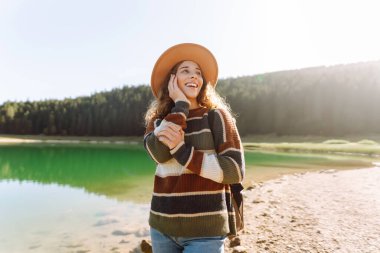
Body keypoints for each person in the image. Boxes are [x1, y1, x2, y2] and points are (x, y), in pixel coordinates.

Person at [143, 43, 245, 253]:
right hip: (161, 227)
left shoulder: (216, 116)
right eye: (185, 71)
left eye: (198, 72)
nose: (194, 76)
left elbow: (234, 171)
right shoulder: (157, 121)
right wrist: (180, 105)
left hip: (206, 230)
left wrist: (182, 151)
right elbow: (160, 154)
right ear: (172, 80)